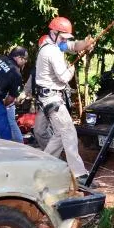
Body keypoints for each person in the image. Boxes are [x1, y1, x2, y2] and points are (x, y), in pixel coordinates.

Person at [34, 17, 94, 184]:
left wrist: (85, 43)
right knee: (68, 131)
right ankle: (79, 174)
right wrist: (73, 68)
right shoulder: (51, 51)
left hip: (48, 97)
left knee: (60, 134)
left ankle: (43, 166)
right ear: (53, 33)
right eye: (62, 37)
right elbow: (63, 77)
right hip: (52, 97)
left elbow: (72, 46)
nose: (63, 41)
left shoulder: (51, 44)